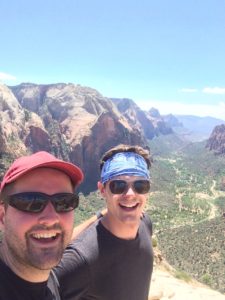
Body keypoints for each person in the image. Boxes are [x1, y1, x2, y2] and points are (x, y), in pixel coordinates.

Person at [55, 144, 154, 300]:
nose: (130, 194)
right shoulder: (80, 260)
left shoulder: (146, 224)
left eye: (140, 185)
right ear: (102, 190)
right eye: (118, 186)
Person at [0, 151, 86, 300]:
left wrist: (102, 215)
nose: (51, 218)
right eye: (31, 202)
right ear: (2, 217)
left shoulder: (46, 276)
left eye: (64, 202)